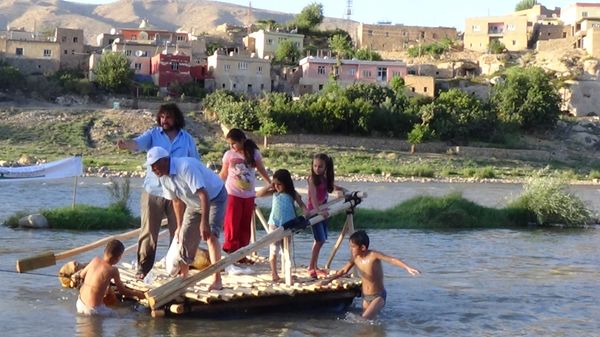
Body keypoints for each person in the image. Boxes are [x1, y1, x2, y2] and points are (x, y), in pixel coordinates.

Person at [116, 103, 199, 279]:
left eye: (168, 117)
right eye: (162, 117)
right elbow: (137, 143)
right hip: (153, 190)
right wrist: (125, 144)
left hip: (178, 192)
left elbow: (195, 163)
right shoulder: (153, 135)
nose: (164, 120)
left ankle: (176, 269)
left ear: (176, 118)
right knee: (148, 231)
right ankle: (143, 269)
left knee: (178, 231)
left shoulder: (187, 139)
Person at [145, 146, 227, 291]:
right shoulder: (164, 178)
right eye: (151, 166)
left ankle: (217, 279)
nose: (153, 169)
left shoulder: (185, 167)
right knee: (185, 236)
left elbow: (204, 195)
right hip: (193, 203)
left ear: (165, 161)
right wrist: (179, 226)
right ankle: (184, 276)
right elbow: (176, 201)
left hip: (214, 197)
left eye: (155, 165)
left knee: (211, 236)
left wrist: (204, 223)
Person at [322, 230, 420, 320]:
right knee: (368, 324)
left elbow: (391, 260)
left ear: (363, 247)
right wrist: (329, 280)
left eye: (353, 247)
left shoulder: (373, 255)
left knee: (363, 319)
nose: (351, 249)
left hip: (378, 296)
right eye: (350, 247)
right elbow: (344, 270)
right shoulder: (355, 258)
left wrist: (407, 268)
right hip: (366, 296)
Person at [219, 128, 271, 261]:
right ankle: (231, 253)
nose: (232, 147)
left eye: (234, 143)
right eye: (230, 144)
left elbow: (261, 169)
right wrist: (215, 187)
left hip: (248, 195)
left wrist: (270, 183)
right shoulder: (229, 155)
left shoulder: (254, 153)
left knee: (244, 226)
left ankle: (242, 255)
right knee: (231, 224)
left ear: (242, 141)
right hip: (232, 194)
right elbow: (224, 174)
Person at [256, 169, 307, 282]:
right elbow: (258, 194)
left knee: (286, 250)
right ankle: (274, 273)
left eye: (279, 184)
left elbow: (302, 205)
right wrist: (270, 185)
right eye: (275, 184)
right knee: (273, 250)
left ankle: (287, 272)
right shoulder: (274, 192)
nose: (277, 186)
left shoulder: (292, 193)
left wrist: (306, 214)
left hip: (289, 225)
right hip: (274, 224)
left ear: (286, 183)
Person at [75, 239, 145, 316]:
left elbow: (81, 275)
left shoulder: (95, 260)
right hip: (93, 310)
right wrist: (138, 294)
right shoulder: (113, 270)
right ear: (117, 258)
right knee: (128, 313)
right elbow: (123, 291)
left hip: (80, 303)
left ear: (104, 252)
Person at [307, 153, 347, 278]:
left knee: (321, 240)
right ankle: (310, 267)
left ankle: (315, 265)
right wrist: (318, 211)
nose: (317, 169)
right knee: (320, 240)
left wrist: (343, 190)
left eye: (320, 166)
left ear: (326, 168)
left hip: (323, 210)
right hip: (315, 212)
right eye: (315, 166)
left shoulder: (324, 179)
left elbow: (333, 187)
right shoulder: (312, 179)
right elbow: (313, 198)